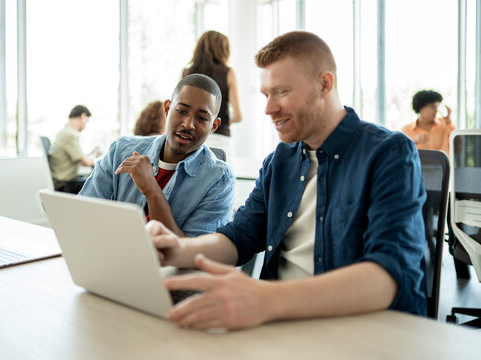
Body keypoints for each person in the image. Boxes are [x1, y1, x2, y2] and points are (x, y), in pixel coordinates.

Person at [149, 31, 427, 330]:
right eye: (266, 94)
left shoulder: (388, 152)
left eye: (281, 92)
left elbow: (388, 277)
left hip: (359, 331)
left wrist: (265, 299)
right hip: (282, 325)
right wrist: (179, 249)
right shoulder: (280, 161)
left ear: (324, 84)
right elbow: (238, 238)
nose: (269, 109)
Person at [80, 74, 235, 237]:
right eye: (181, 111)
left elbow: (192, 254)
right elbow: (83, 214)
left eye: (202, 118)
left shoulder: (220, 181)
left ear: (214, 126)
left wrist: (152, 190)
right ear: (167, 109)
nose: (188, 124)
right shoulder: (119, 152)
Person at [182, 30, 242, 164]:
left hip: (192, 138)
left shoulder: (186, 73)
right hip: (221, 140)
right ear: (224, 50)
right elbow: (238, 116)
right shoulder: (228, 74)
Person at [49, 105, 100, 194]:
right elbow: (85, 162)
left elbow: (79, 157)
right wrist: (98, 158)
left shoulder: (65, 132)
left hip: (62, 180)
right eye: (86, 122)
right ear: (83, 117)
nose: (85, 126)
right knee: (100, 184)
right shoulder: (69, 134)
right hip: (66, 184)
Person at [402, 90, 455, 156]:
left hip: (443, 166)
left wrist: (448, 123)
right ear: (420, 108)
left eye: (437, 107)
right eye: (433, 107)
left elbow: (459, 148)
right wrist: (413, 142)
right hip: (419, 166)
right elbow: (402, 154)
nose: (436, 111)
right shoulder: (406, 130)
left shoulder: (445, 124)